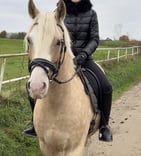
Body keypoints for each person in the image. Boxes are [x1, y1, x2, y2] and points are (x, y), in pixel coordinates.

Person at [23, 0, 113, 142]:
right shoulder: (56, 15)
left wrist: (84, 54)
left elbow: (94, 39)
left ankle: (104, 126)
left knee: (106, 87)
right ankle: (35, 123)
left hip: (84, 59)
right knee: (32, 85)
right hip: (62, 60)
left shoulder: (91, 14)